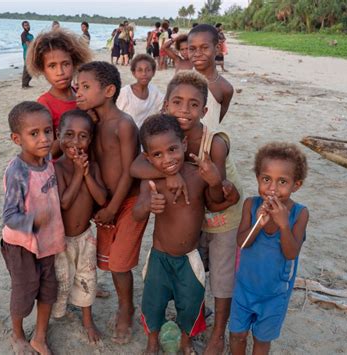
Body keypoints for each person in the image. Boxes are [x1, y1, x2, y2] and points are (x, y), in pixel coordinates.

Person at [130, 71, 243, 355]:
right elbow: (138, 190)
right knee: (153, 301)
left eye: (193, 105)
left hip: (198, 246)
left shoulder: (207, 153)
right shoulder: (158, 161)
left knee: (195, 297)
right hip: (159, 254)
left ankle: (190, 339)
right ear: (166, 105)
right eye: (177, 102)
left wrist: (217, 182)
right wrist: (166, 178)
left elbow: (216, 202)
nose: (185, 110)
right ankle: (152, 341)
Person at [76, 61, 148, 344]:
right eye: (77, 87)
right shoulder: (92, 124)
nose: (78, 93)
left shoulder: (125, 125)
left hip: (126, 203)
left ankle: (126, 308)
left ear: (108, 90)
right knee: (109, 261)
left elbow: (131, 171)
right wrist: (100, 206)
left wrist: (112, 208)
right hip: (104, 204)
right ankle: (123, 301)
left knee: (119, 264)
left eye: (85, 87)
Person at [230, 142, 309, 355]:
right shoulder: (251, 205)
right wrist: (258, 224)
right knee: (237, 334)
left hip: (275, 295)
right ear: (258, 179)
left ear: (296, 185)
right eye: (266, 179)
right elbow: (243, 243)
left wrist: (284, 224)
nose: (272, 188)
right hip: (244, 289)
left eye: (282, 181)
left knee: (261, 340)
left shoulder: (300, 214)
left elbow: (291, 253)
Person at [1, 101, 66, 355]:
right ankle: (17, 334)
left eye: (48, 131)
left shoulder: (47, 158)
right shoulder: (17, 171)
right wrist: (32, 221)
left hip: (49, 241)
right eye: (34, 134)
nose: (44, 139)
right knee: (25, 290)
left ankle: (39, 336)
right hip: (21, 245)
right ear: (17, 138)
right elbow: (9, 216)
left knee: (49, 289)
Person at [52, 109, 107, 344]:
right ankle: (55, 315)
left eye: (83, 136)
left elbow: (102, 199)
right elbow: (64, 202)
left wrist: (85, 175)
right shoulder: (56, 168)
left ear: (91, 139)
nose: (76, 142)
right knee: (61, 280)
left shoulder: (92, 168)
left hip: (85, 237)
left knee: (86, 278)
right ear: (58, 135)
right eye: (69, 135)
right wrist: (76, 173)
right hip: (60, 240)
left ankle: (87, 320)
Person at [26, 29, 92, 159]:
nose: (60, 72)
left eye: (65, 64)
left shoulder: (81, 94)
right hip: (62, 172)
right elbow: (46, 151)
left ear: (74, 64)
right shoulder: (44, 104)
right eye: (52, 66)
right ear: (43, 70)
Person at [188, 24, 234, 127]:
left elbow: (215, 121)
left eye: (204, 48)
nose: (197, 53)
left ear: (217, 49)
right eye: (192, 49)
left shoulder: (225, 88)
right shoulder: (182, 81)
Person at [116, 54, 164, 128]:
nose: (144, 74)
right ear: (134, 73)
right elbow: (116, 117)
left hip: (146, 135)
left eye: (148, 70)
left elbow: (164, 106)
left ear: (153, 72)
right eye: (139, 70)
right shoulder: (125, 93)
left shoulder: (154, 91)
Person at [21, 21, 34, 88]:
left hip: (32, 53)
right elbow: (28, 44)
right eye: (25, 25)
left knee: (31, 69)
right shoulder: (23, 34)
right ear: (23, 27)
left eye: (28, 25)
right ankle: (24, 85)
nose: (27, 26)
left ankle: (27, 84)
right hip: (27, 54)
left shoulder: (31, 35)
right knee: (26, 69)